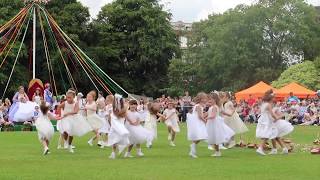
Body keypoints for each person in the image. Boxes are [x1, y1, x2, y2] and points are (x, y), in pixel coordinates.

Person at [58, 89, 92, 153]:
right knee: (65, 130)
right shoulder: (65, 103)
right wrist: (60, 115)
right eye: (67, 97)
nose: (68, 99)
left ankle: (70, 145)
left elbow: (76, 111)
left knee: (71, 133)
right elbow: (59, 107)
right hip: (65, 119)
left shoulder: (76, 103)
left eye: (69, 97)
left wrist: (68, 113)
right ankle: (66, 142)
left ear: (73, 97)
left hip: (73, 119)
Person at [206, 93, 235, 157]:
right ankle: (217, 152)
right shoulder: (213, 107)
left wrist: (206, 118)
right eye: (209, 99)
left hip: (214, 123)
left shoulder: (215, 107)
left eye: (211, 99)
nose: (210, 100)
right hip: (212, 123)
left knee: (215, 137)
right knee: (214, 138)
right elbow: (223, 112)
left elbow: (213, 116)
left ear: (215, 100)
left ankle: (218, 151)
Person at [256, 90, 279, 156]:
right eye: (273, 98)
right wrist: (276, 118)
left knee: (271, 133)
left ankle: (274, 149)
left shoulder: (264, 104)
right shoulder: (268, 105)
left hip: (263, 119)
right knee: (267, 134)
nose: (274, 99)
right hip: (267, 120)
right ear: (271, 99)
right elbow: (272, 114)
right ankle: (260, 148)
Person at [107, 94, 130, 159]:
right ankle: (113, 153)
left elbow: (121, 115)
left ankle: (116, 151)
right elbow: (111, 116)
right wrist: (111, 124)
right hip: (114, 125)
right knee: (113, 138)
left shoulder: (124, 107)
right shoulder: (113, 107)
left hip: (119, 124)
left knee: (118, 138)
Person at [186, 92, 208, 158]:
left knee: (200, 137)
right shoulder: (198, 106)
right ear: (201, 99)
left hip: (198, 122)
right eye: (204, 98)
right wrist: (205, 121)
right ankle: (192, 148)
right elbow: (200, 116)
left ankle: (192, 148)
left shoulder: (200, 106)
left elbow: (201, 115)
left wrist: (207, 113)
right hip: (198, 123)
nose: (206, 99)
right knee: (200, 136)